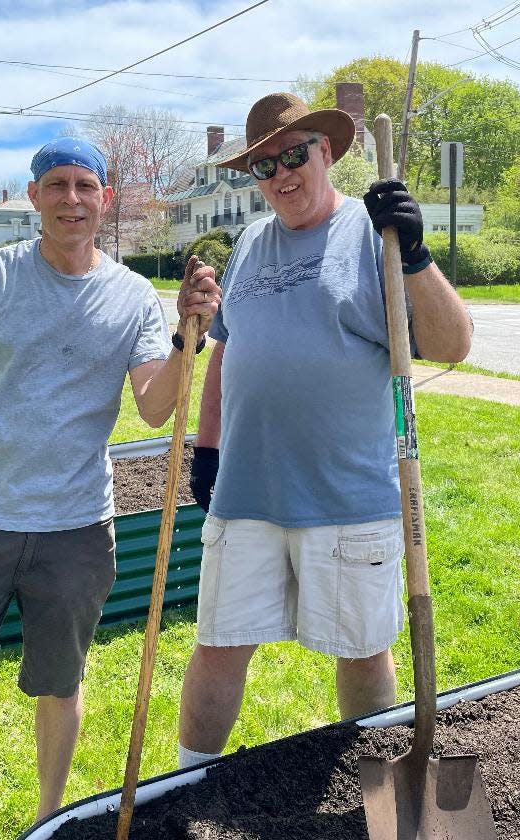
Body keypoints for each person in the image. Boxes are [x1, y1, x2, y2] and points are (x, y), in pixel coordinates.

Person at [0, 136, 221, 840]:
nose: (72, 198)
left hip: (75, 530)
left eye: (85, 186)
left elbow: (156, 407)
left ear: (106, 198)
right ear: (34, 196)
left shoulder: (129, 295)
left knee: (60, 686)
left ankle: (49, 820)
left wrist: (192, 336)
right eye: (57, 185)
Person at [177, 92, 473, 771]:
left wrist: (418, 254)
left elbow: (452, 343)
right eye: (264, 165)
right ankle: (187, 783)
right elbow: (227, 353)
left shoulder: (376, 236)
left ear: (327, 152)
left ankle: (373, 782)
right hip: (246, 494)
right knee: (218, 644)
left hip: (349, 495)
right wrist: (209, 451)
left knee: (362, 648)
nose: (281, 174)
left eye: (294, 154)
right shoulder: (251, 242)